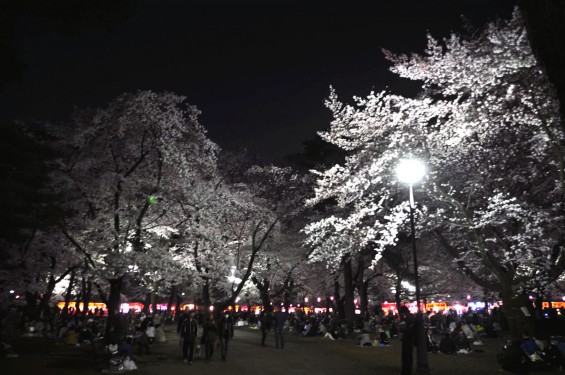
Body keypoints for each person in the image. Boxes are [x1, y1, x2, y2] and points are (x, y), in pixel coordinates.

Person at [398, 306, 415, 375]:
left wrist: (402, 329)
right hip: (409, 339)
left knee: (406, 356)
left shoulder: (408, 318)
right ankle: (407, 370)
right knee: (408, 356)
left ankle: (406, 371)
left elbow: (408, 329)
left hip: (407, 339)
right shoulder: (411, 317)